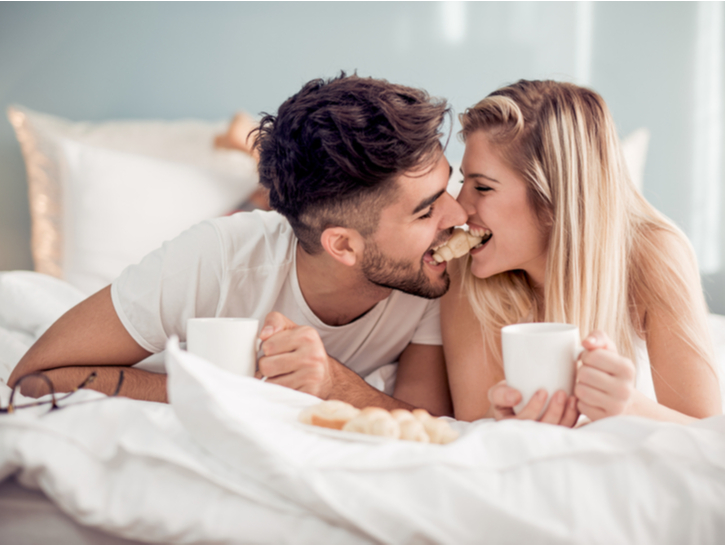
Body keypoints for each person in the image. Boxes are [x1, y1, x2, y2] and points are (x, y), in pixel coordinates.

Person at [9, 74, 467, 416]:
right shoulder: (216, 259)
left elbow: (426, 426)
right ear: (343, 246)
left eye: (450, 187)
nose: (459, 216)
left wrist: (334, 383)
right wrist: (229, 391)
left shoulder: (429, 275)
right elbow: (32, 379)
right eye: (426, 211)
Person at [442, 80, 722, 425]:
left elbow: (708, 436)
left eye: (482, 187)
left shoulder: (655, 252)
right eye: (463, 182)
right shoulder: (465, 269)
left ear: (554, 200)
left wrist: (628, 407)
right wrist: (496, 418)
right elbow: (474, 423)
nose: (458, 208)